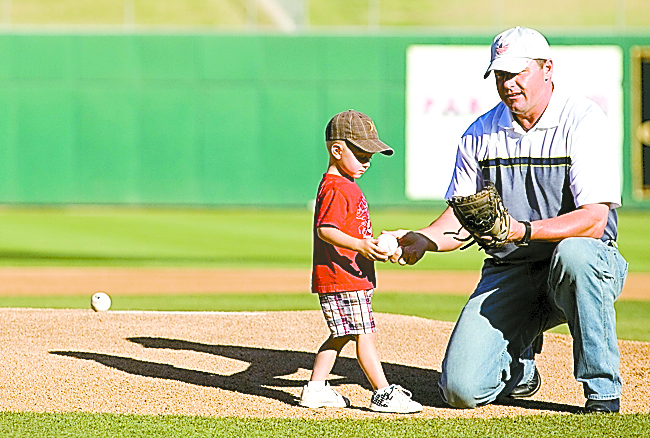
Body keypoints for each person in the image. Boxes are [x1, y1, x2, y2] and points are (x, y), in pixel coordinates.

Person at [390, 27, 628, 414]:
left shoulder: (582, 120)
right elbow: (462, 215)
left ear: (547, 68)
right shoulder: (480, 133)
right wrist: (424, 239)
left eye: (518, 72)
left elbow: (594, 221)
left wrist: (524, 230)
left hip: (582, 265)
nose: (508, 83)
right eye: (500, 74)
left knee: (576, 256)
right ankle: (519, 370)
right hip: (512, 268)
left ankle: (601, 391)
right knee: (460, 390)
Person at [299, 109, 423, 414]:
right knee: (364, 335)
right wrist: (360, 245)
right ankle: (382, 392)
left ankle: (315, 388)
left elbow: (356, 231)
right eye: (361, 152)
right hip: (343, 276)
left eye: (371, 154)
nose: (367, 160)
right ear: (337, 150)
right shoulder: (338, 187)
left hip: (347, 274)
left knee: (342, 333)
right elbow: (325, 230)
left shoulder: (345, 184)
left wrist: (383, 251)